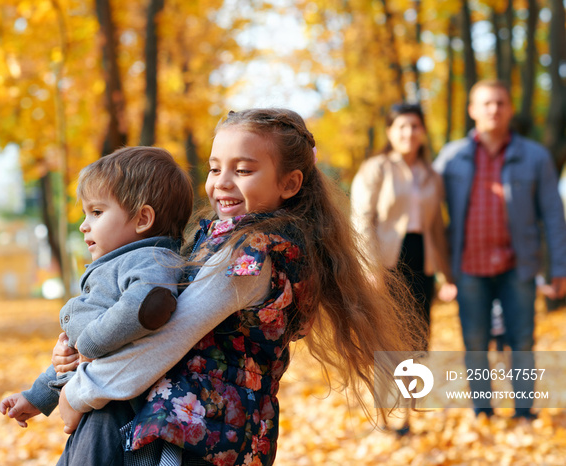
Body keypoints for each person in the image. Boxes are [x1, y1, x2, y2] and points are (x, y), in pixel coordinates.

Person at [54, 108, 422, 465]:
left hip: (196, 434)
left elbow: (167, 339)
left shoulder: (249, 257)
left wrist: (80, 392)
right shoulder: (229, 240)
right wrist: (75, 359)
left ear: (289, 183)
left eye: (243, 170)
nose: (221, 182)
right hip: (198, 425)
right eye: (215, 169)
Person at [0, 147, 194, 440]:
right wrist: (37, 396)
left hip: (117, 411)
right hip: (95, 400)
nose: (83, 225)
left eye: (97, 212)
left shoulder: (151, 260)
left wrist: (88, 342)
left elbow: (147, 304)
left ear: (143, 219)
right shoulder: (121, 263)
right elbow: (76, 357)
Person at [433, 80, 566, 420]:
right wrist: (436, 270)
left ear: (509, 109)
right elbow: (429, 211)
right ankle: (484, 412)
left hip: (517, 269)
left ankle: (525, 412)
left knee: (522, 342)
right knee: (475, 345)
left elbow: (553, 214)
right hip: (468, 268)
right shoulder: (451, 157)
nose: (494, 109)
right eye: (486, 103)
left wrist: (559, 267)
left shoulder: (534, 156)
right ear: (473, 110)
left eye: (500, 103)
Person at [351, 103, 455, 349]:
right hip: (387, 263)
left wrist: (447, 276)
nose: (409, 133)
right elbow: (361, 219)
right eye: (402, 126)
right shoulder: (376, 168)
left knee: (419, 337)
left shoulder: (432, 175)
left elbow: (437, 228)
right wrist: (370, 268)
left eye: (415, 126)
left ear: (423, 131)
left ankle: (415, 388)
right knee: (390, 339)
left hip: (423, 262)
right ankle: (390, 389)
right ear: (389, 131)